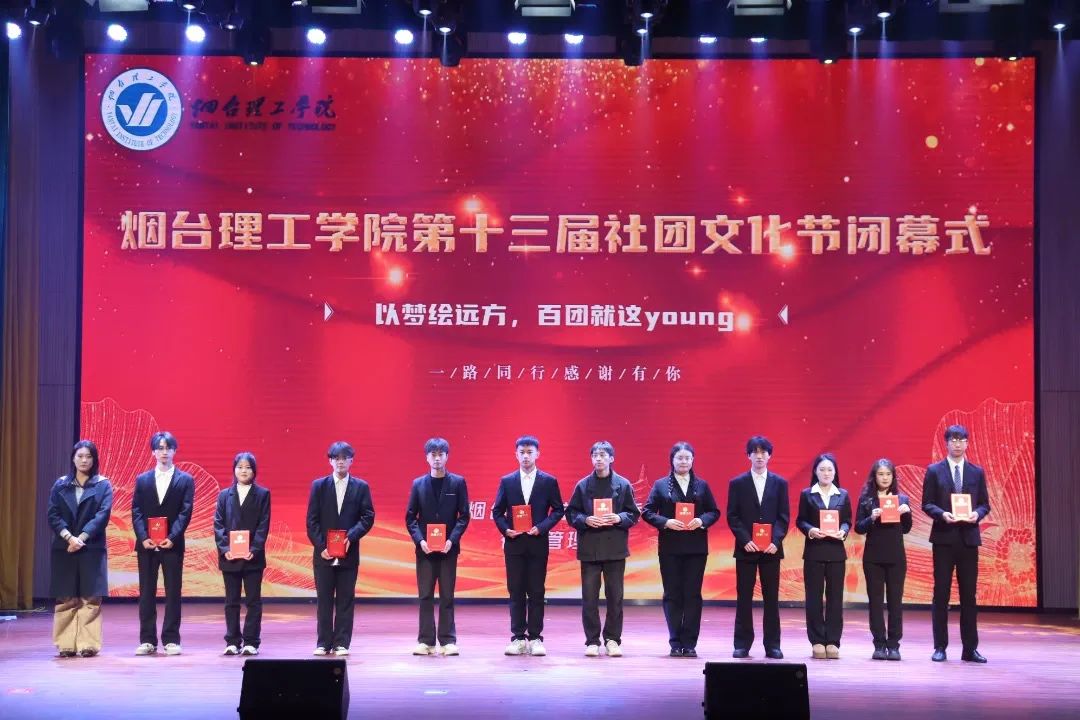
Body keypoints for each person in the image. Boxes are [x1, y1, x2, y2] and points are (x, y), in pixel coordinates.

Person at [642, 441, 720, 658]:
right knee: (672, 594)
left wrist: (701, 521)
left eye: (687, 458)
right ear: (672, 460)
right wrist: (666, 522)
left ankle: (690, 643)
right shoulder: (660, 485)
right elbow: (647, 511)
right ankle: (675, 642)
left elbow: (714, 512)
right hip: (670, 548)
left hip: (696, 548)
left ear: (692, 460)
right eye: (680, 458)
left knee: (693, 595)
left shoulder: (702, 485)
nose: (683, 462)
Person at [921, 424, 991, 663]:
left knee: (968, 596)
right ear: (947, 443)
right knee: (941, 594)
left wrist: (976, 514)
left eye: (961, 440)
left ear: (967, 443)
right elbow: (926, 503)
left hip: (968, 539)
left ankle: (970, 649)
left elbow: (984, 504)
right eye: (953, 440)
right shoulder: (934, 471)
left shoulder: (976, 472)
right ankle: (940, 647)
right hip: (943, 538)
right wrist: (942, 514)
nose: (957, 444)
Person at [565, 440, 640, 658]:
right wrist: (585, 520)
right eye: (595, 455)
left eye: (603, 455)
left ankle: (613, 640)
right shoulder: (582, 485)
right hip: (590, 548)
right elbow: (572, 513)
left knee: (615, 597)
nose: (598, 459)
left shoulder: (623, 484)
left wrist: (619, 517)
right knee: (589, 597)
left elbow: (633, 513)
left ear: (611, 458)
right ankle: (592, 641)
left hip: (615, 548)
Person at [491, 435, 565, 657]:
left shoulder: (548, 481)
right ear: (516, 454)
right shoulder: (507, 481)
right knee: (515, 591)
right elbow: (497, 511)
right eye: (521, 452)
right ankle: (517, 638)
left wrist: (541, 527)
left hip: (537, 543)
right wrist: (506, 529)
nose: (525, 456)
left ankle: (535, 638)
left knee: (536, 591)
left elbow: (558, 510)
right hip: (514, 544)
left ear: (537, 454)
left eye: (529, 452)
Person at [305, 441, 376, 657]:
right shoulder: (319, 486)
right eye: (336, 458)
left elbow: (368, 516)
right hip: (323, 555)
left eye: (344, 458)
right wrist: (321, 546)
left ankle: (342, 643)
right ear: (330, 461)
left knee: (345, 599)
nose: (340, 462)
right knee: (324, 600)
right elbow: (311, 521)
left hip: (349, 554)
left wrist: (351, 537)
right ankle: (323, 643)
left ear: (351, 460)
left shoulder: (361, 487)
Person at [47, 440, 113, 658]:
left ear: (94, 459)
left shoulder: (103, 484)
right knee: (66, 597)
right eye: (80, 456)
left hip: (91, 547)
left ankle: (88, 644)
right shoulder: (60, 484)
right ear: (73, 459)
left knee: (90, 598)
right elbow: (53, 514)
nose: (84, 460)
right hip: (64, 547)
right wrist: (69, 537)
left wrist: (82, 538)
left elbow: (102, 515)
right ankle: (66, 644)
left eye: (88, 456)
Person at [725, 435, 789, 659]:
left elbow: (783, 517)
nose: (759, 456)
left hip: (771, 550)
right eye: (755, 452)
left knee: (771, 598)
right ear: (748, 456)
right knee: (744, 597)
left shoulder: (780, 483)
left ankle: (773, 645)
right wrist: (745, 540)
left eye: (763, 452)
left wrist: (775, 541)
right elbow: (732, 516)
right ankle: (742, 644)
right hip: (746, 549)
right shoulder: (737, 483)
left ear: (769, 456)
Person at [131, 431, 194, 656]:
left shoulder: (185, 480)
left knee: (173, 592)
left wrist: (173, 537)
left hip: (172, 545)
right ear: (153, 452)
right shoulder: (142, 479)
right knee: (146, 592)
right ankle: (147, 640)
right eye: (160, 448)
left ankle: (171, 639)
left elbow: (185, 512)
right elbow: (136, 511)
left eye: (168, 448)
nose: (164, 452)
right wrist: (143, 537)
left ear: (174, 451)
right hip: (147, 545)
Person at [406, 437, 470, 656]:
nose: (437, 459)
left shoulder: (458, 483)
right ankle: (426, 641)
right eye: (433, 455)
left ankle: (447, 641)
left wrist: (452, 539)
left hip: (448, 549)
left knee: (447, 595)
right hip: (425, 550)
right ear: (427, 458)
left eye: (441, 454)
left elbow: (464, 516)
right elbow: (411, 517)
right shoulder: (418, 484)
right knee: (425, 595)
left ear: (447, 456)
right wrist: (420, 540)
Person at [214, 452, 272, 656]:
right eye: (240, 467)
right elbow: (218, 524)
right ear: (234, 470)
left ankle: (251, 642)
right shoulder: (224, 495)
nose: (243, 471)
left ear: (254, 471)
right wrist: (225, 549)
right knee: (231, 601)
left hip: (252, 558)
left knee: (253, 601)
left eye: (248, 467)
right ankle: (232, 641)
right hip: (230, 557)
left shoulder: (263, 494)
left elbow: (264, 524)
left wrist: (254, 549)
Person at [854, 458, 913, 660]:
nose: (885, 478)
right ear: (875, 476)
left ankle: (894, 645)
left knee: (895, 602)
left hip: (896, 557)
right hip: (873, 558)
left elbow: (906, 529)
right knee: (876, 602)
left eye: (888, 474)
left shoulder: (902, 499)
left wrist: (907, 514)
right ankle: (879, 644)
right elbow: (858, 528)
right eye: (881, 474)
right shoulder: (866, 500)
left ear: (893, 477)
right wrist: (871, 517)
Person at [796, 452, 852, 659]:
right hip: (814, 552)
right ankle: (817, 640)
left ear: (835, 472)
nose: (826, 473)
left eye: (830, 469)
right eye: (822, 469)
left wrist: (843, 531)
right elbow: (800, 520)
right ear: (815, 472)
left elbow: (847, 521)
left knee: (835, 599)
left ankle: (833, 641)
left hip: (836, 552)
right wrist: (811, 530)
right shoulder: (807, 494)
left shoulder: (843, 494)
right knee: (814, 598)